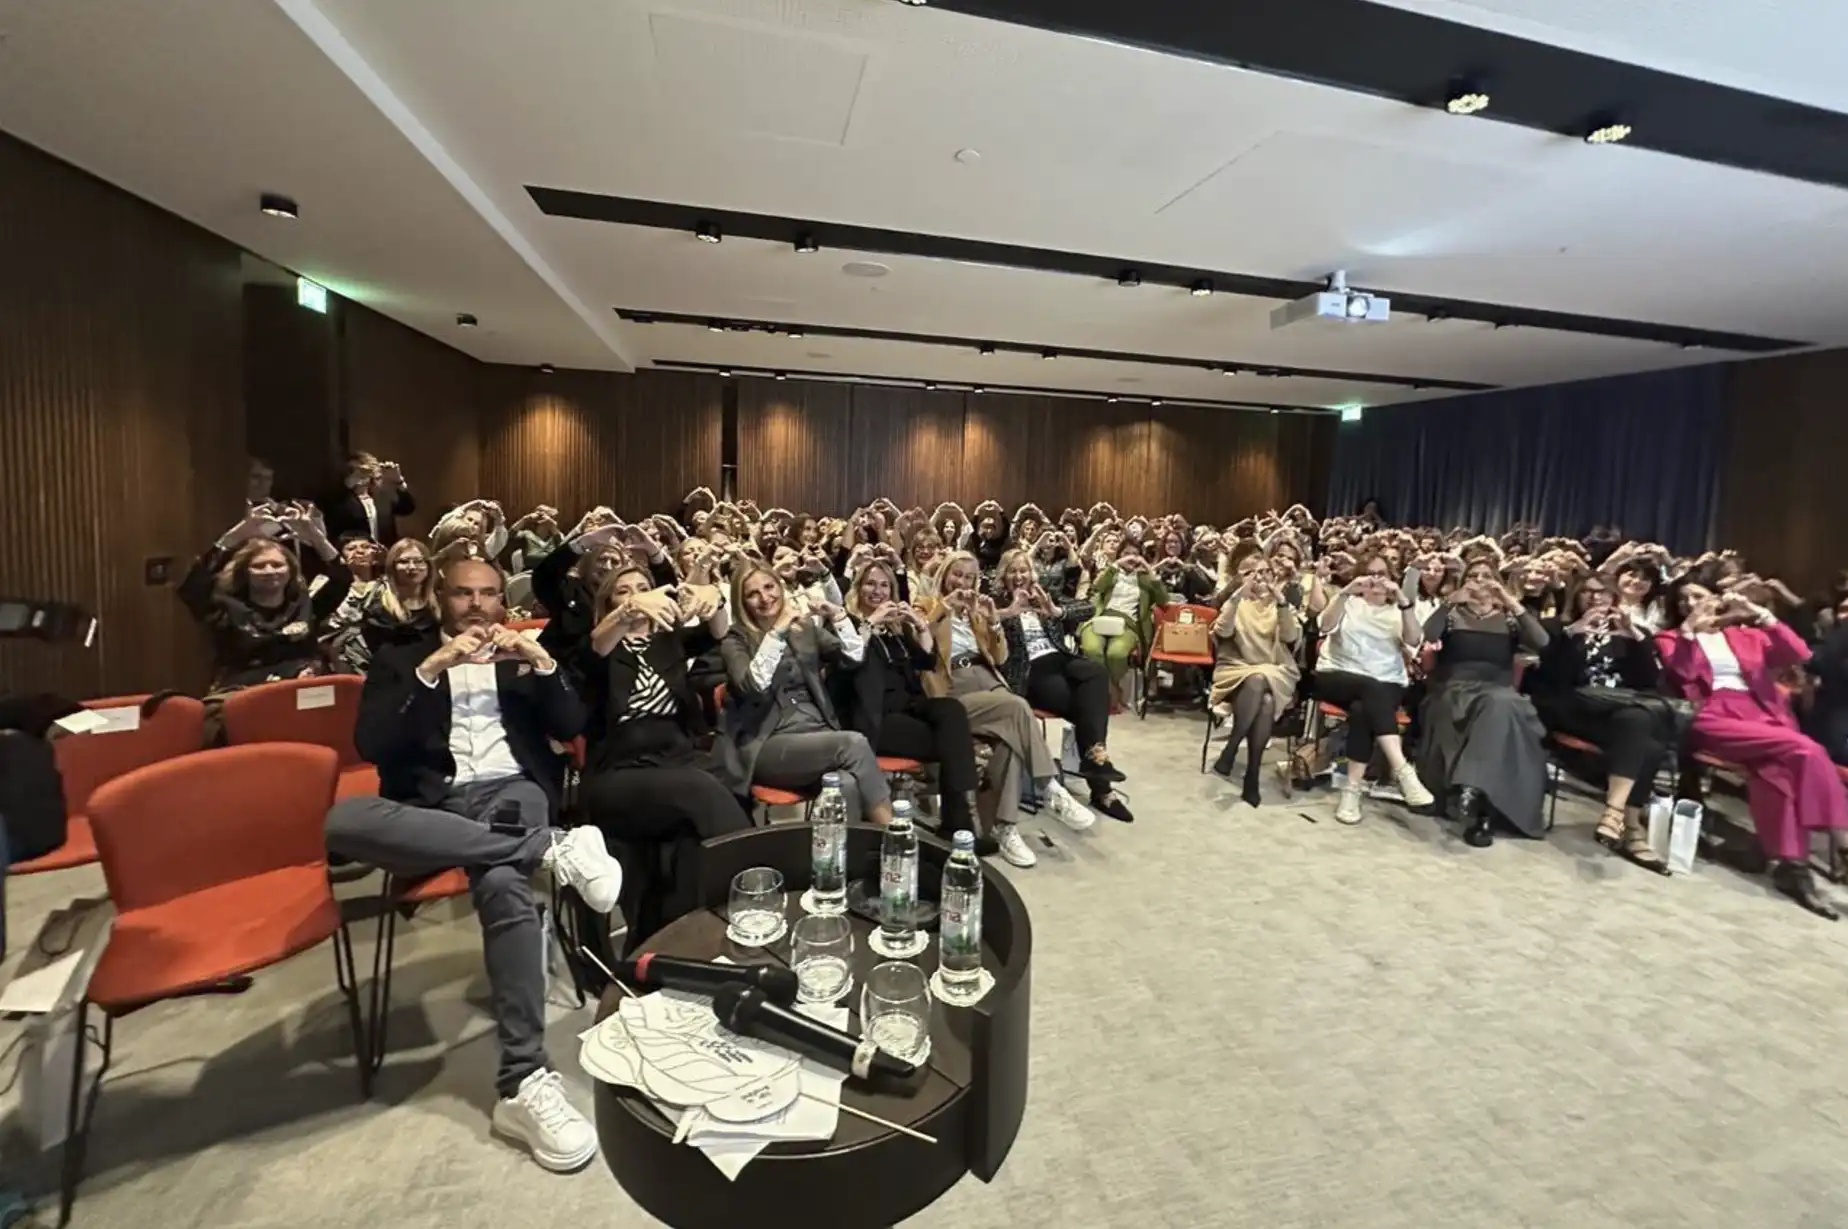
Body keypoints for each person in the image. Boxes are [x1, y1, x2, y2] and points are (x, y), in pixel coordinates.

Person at [323, 557, 621, 1172]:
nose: (478, 605)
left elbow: (571, 726)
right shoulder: (401, 658)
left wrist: (541, 662)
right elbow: (372, 744)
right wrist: (433, 669)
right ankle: (548, 849)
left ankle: (523, 1081)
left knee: (505, 887)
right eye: (464, 594)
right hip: (431, 804)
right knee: (343, 821)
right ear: (442, 598)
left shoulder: (519, 656)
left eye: (488, 594)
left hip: (512, 790)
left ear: (501, 601)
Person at [1656, 582, 1848, 917]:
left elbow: (1799, 653)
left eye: (1698, 596)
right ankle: (1843, 838)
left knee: (1778, 770)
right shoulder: (1671, 637)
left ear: (1716, 599)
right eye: (1683, 599)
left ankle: (1793, 867)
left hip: (1764, 715)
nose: (1691, 602)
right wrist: (1690, 630)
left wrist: (1759, 614)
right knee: (1808, 750)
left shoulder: (1747, 635)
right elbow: (1681, 672)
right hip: (1713, 715)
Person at [573, 563, 750, 915]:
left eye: (643, 587)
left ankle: (684, 921)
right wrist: (629, 610)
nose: (637, 594)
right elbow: (597, 645)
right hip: (619, 769)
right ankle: (756, 885)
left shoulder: (667, 640)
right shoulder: (598, 646)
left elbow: (717, 631)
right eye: (624, 591)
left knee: (720, 795)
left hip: (677, 755)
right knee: (698, 789)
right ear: (609, 603)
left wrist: (714, 598)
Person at [919, 553, 1098, 863]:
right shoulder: (925, 604)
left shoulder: (975, 611)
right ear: (945, 575)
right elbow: (919, 636)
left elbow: (999, 657)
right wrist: (945, 607)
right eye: (957, 574)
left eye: (970, 577)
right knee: (1017, 707)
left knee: (1010, 743)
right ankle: (1049, 787)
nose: (963, 583)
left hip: (989, 680)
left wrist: (992, 621)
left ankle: (1006, 829)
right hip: (954, 687)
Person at [717, 564, 894, 823]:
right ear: (742, 602)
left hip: (818, 733)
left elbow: (852, 658)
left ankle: (844, 849)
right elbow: (752, 687)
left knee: (844, 783)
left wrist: (838, 616)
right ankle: (896, 835)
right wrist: (776, 634)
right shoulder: (735, 640)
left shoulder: (804, 628)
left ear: (780, 587)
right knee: (853, 743)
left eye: (769, 587)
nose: (765, 598)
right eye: (753, 594)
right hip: (768, 743)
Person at [1528, 573, 1680, 874]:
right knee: (1642, 726)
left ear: (1614, 599)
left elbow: (1650, 681)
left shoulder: (1632, 634)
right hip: (1573, 708)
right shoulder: (1557, 627)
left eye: (1603, 593)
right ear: (1576, 596)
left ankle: (1616, 814)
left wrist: (1633, 634)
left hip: (1619, 714)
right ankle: (1631, 828)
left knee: (1642, 732)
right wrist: (1574, 633)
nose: (1595, 598)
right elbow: (1549, 676)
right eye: (1587, 592)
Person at [838, 562, 986, 843]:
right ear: (858, 588)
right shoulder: (847, 624)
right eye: (870, 584)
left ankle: (959, 821)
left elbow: (926, 660)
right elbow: (847, 662)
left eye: (884, 585)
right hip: (875, 716)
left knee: (952, 710)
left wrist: (919, 625)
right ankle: (962, 822)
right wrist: (870, 623)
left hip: (910, 706)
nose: (878, 591)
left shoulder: (895, 629)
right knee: (955, 745)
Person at [991, 549, 1132, 822]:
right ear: (1003, 576)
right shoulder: (995, 601)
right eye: (1013, 571)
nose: (1019, 576)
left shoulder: (1045, 595)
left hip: (1058, 657)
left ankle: (1096, 764)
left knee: (1097, 673)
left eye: (1024, 570)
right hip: (1028, 670)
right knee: (1087, 707)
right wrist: (1008, 612)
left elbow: (1087, 608)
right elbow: (979, 620)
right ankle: (1101, 784)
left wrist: (1056, 611)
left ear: (1032, 573)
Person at [1418, 559, 1549, 847]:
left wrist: (1510, 601)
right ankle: (1481, 809)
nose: (1479, 580)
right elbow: (1425, 636)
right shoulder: (1453, 615)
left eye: (1486, 575)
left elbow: (1542, 641)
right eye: (1473, 575)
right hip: (1455, 689)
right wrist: (1449, 602)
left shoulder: (1510, 618)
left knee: (1501, 706)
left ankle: (1476, 795)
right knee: (1499, 708)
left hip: (1498, 690)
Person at [1313, 558, 1434, 824]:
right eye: (1370, 574)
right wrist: (1346, 592)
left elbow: (1414, 641)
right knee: (1369, 687)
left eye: (1382, 574)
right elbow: (1324, 627)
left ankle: (1351, 791)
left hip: (1386, 681)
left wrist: (1402, 599)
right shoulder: (1348, 602)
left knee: (1362, 709)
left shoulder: (1400, 610)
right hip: (1337, 674)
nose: (1376, 580)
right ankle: (1403, 770)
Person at [178, 508, 350, 691]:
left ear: (291, 570)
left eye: (277, 565)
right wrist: (232, 538)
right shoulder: (224, 607)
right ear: (244, 573)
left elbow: (343, 577)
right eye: (259, 566)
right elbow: (192, 587)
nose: (269, 571)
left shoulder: (306, 604)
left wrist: (316, 537)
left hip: (302, 691)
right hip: (245, 693)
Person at [1208, 556, 1302, 804]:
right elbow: (1222, 631)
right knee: (1262, 691)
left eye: (1267, 572)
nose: (1261, 577)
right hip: (1236, 669)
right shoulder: (1235, 603)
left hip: (1275, 670)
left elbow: (1291, 637)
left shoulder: (1280, 605)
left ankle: (1233, 751)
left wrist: (1281, 603)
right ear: (1242, 577)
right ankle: (1251, 775)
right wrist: (1238, 596)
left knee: (1262, 686)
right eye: (1254, 573)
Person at [1079, 540, 1169, 694]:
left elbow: (1163, 600)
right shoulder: (1111, 572)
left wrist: (1148, 569)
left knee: (1116, 654)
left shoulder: (1145, 579)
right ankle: (1111, 692)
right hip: (1100, 619)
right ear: (1119, 555)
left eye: (1135, 554)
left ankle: (1105, 692)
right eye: (1126, 554)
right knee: (1092, 650)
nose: (1130, 558)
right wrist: (1116, 564)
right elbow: (1097, 587)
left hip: (1128, 624)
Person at [322, 452, 415, 547]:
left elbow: (408, 508)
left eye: (363, 471)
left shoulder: (381, 498)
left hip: (384, 551)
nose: (359, 474)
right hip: (356, 552)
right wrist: (349, 484)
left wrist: (399, 481)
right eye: (352, 471)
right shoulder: (340, 501)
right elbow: (332, 518)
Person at [1804, 593, 1848, 766]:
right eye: (1842, 610)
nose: (1844, 616)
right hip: (1834, 734)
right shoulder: (1831, 646)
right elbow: (1813, 661)